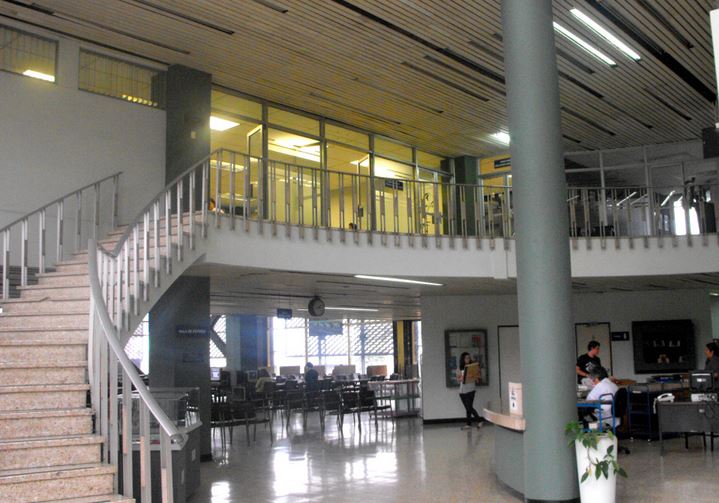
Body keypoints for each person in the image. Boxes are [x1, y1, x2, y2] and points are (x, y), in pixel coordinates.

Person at [456, 352, 482, 430]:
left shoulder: (473, 366)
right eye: (466, 358)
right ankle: (468, 424)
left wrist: (474, 376)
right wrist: (463, 377)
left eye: (469, 358)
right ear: (463, 359)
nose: (468, 359)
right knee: (468, 408)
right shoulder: (459, 368)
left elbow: (478, 378)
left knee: (469, 407)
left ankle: (479, 421)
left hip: (471, 390)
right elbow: (458, 380)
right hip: (462, 391)